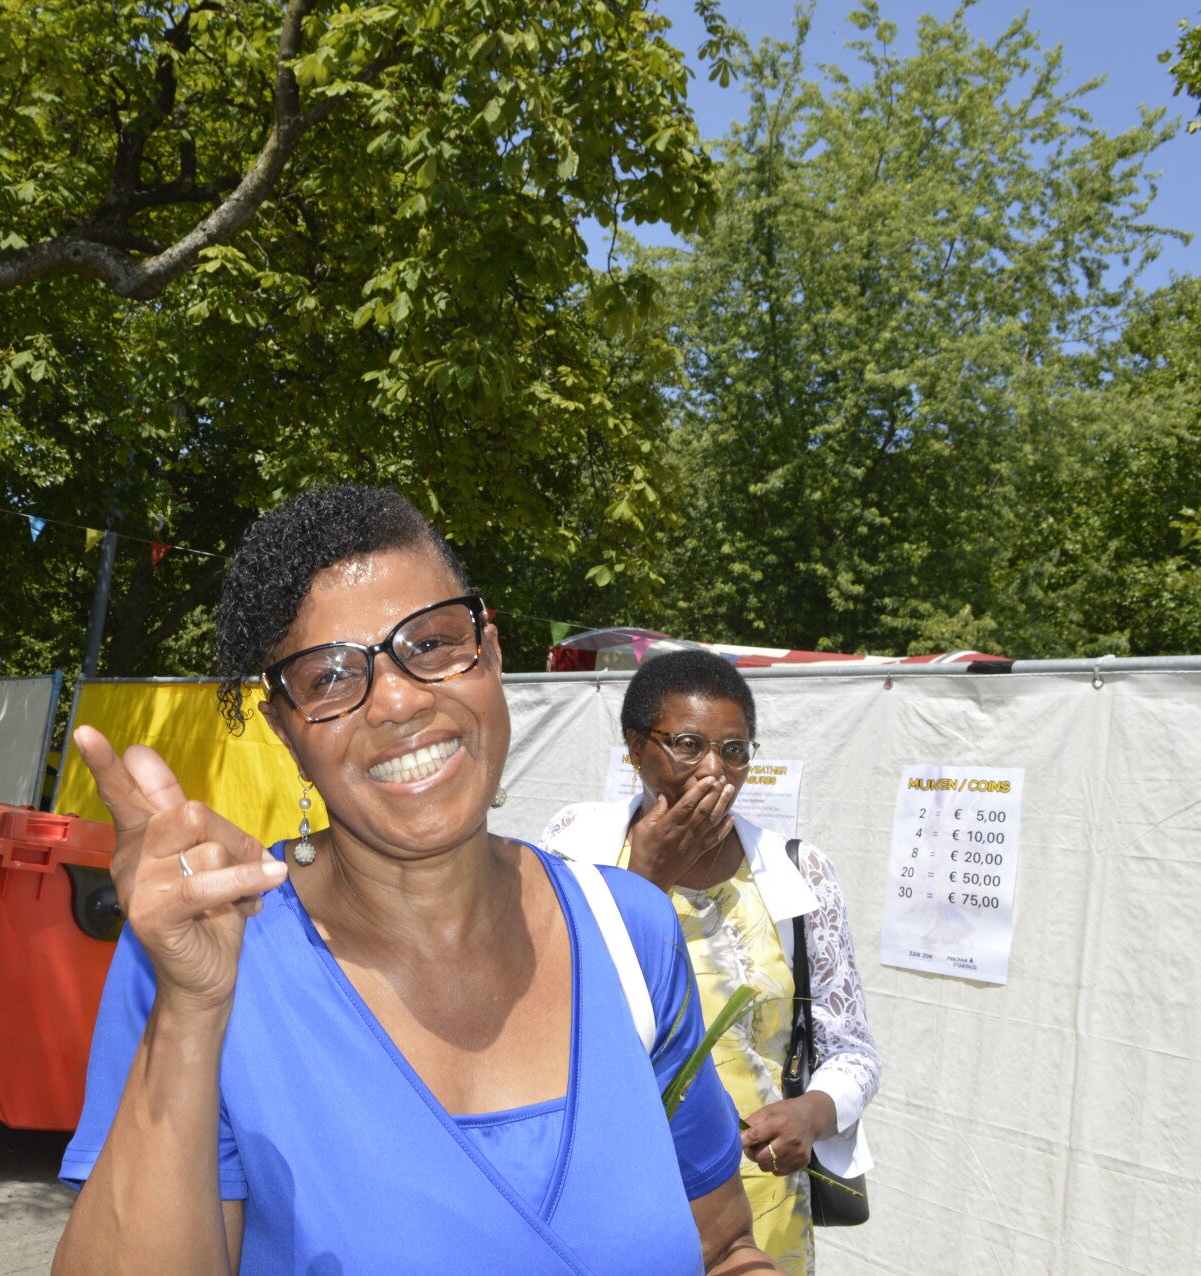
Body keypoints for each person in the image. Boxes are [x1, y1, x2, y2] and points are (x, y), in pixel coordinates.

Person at [55, 485, 777, 1274]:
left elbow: (722, 1246)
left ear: (489, 654)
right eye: (329, 676)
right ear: (284, 731)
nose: (397, 701)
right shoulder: (209, 953)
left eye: (430, 643)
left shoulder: (628, 930)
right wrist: (191, 1015)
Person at [539, 649, 881, 1275]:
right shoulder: (575, 851)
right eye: (689, 745)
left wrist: (810, 1114)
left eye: (734, 750)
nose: (715, 771)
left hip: (759, 1203)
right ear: (636, 747)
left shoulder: (797, 873)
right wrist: (647, 878)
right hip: (616, 1192)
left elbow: (853, 1052)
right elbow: (547, 1011)